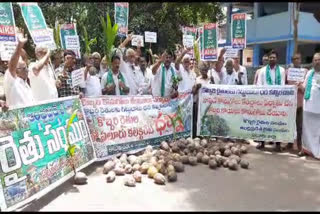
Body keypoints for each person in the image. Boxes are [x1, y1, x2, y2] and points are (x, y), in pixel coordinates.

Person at [256, 50, 286, 152]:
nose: (272, 59)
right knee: (263, 122)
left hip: (277, 100)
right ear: (268, 59)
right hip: (265, 100)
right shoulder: (263, 71)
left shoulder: (282, 70)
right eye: (270, 57)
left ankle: (277, 144)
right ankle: (262, 143)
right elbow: (259, 85)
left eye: (274, 57)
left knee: (277, 122)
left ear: (277, 59)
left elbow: (282, 85)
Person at [4, 34, 34, 108]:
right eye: (24, 69)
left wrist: (20, 47)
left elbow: (25, 59)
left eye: (26, 68)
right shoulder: (12, 80)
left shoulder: (25, 82)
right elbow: (12, 65)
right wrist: (19, 45)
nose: (27, 70)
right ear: (16, 71)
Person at [285, 53, 308, 154]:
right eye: (294, 59)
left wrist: (300, 87)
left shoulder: (306, 72)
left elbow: (307, 89)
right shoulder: (288, 72)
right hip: (290, 103)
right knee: (290, 124)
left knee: (300, 126)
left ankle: (299, 145)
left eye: (298, 59)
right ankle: (289, 143)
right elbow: (284, 86)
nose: (297, 60)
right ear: (292, 61)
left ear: (301, 60)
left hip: (301, 103)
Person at [301, 53, 320, 158]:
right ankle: (307, 150)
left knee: (317, 132)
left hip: (318, 109)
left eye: (319, 60)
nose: (317, 62)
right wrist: (299, 86)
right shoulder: (309, 74)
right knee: (307, 131)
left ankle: (317, 151)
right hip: (308, 107)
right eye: (315, 60)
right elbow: (304, 88)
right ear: (313, 62)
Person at [192, 62, 215, 137]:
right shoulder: (197, 79)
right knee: (199, 120)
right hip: (199, 105)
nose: (205, 72)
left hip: (209, 105)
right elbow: (193, 93)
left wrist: (213, 82)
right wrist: (197, 87)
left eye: (206, 70)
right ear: (200, 70)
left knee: (209, 120)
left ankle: (209, 135)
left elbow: (216, 90)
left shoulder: (211, 79)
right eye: (203, 70)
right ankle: (198, 135)